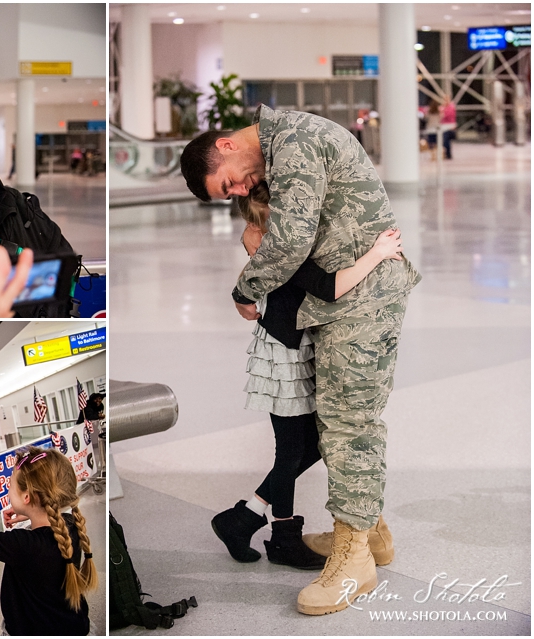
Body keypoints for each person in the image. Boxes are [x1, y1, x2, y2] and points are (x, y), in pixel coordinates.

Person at [180, 104, 421, 615]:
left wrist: (244, 289)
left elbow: (290, 239)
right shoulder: (286, 142)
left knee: (348, 424)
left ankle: (354, 557)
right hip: (345, 300)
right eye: (234, 194)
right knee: (340, 421)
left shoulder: (291, 139)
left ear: (225, 147)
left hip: (363, 301)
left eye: (230, 185)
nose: (243, 192)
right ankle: (370, 534)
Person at [213, 180, 403, 570]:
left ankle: (253, 521)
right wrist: (378, 253)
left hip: (296, 347)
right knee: (296, 449)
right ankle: (269, 531)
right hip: (283, 355)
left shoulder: (259, 234)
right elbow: (328, 287)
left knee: (308, 444)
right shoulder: (278, 246)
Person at [0, 446, 97, 635]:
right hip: (77, 628)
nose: (8, 488)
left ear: (27, 497)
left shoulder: (23, 545)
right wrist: (29, 513)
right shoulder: (72, 526)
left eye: (10, 485)